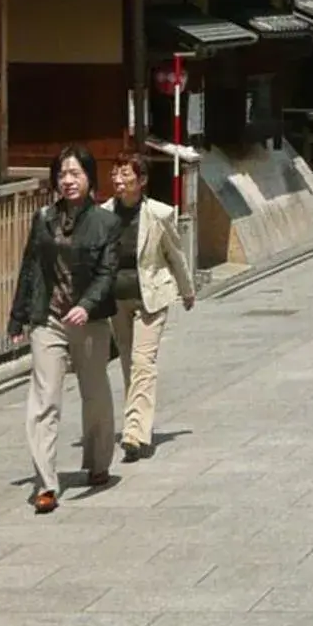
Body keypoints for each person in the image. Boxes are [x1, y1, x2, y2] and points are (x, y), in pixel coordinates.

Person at [7, 146, 119, 511]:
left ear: (89, 178)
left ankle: (98, 462)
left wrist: (87, 306)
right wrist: (18, 316)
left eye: (75, 174)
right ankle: (46, 483)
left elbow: (107, 273)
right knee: (44, 400)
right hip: (49, 319)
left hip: (89, 319)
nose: (68, 181)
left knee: (95, 393)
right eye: (62, 175)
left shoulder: (106, 223)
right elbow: (30, 266)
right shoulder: (43, 218)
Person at [105, 155, 194, 460]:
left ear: (141, 181)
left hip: (151, 297)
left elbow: (175, 254)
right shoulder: (103, 215)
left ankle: (134, 433)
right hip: (117, 298)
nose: (118, 180)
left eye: (125, 174)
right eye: (115, 174)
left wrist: (187, 290)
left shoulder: (159, 213)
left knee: (143, 361)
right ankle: (137, 420)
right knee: (129, 362)